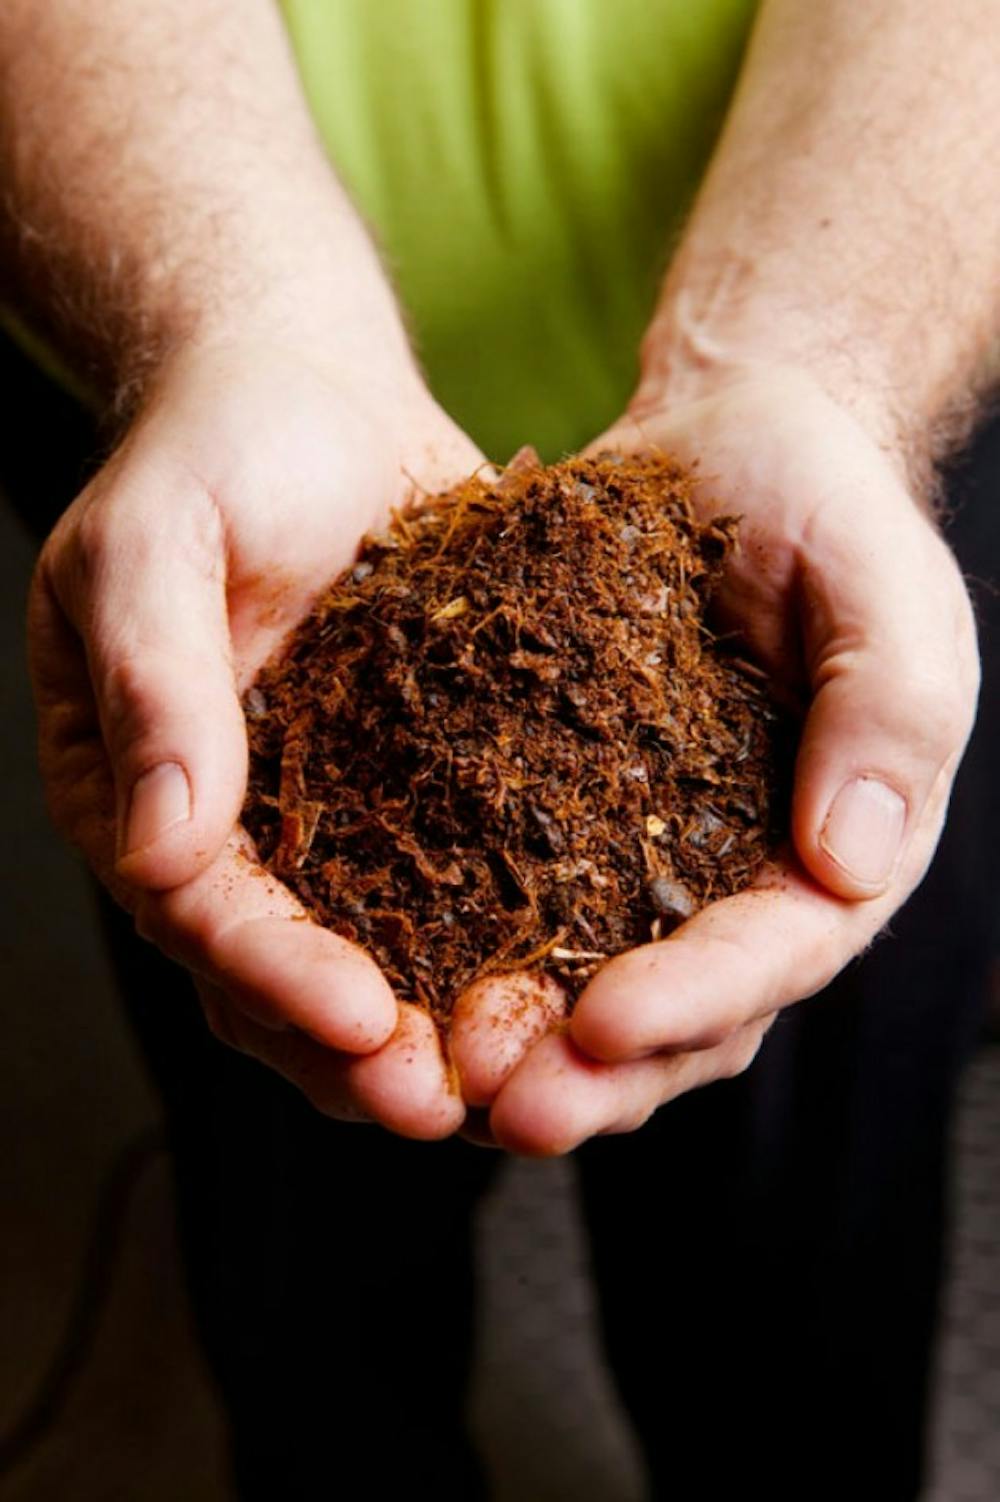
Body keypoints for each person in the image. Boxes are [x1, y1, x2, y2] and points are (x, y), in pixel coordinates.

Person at [2, 1, 997, 1496]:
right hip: (204, 430)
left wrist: (815, 347)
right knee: (303, 1250)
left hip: (858, 358)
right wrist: (239, 313)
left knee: (802, 1274)